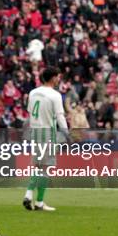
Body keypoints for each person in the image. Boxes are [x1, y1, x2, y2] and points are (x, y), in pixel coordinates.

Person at [22, 67, 69, 212]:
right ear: (53, 78)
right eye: (58, 76)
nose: (59, 79)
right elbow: (60, 116)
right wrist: (67, 133)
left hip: (35, 131)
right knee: (45, 167)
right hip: (48, 132)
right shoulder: (55, 95)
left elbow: (30, 113)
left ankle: (33, 197)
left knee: (38, 166)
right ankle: (36, 200)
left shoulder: (33, 92)